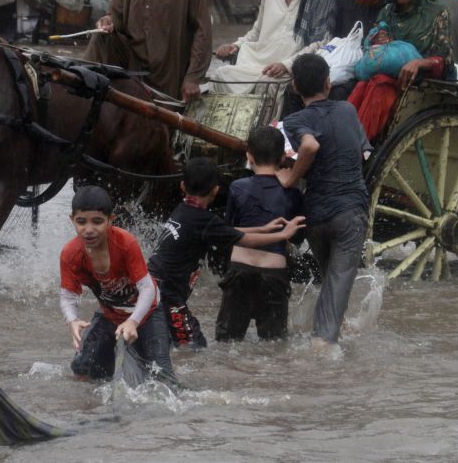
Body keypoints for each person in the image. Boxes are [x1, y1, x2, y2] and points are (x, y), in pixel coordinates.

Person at [148, 157, 304, 348]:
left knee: (169, 342)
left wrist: (264, 228)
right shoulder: (204, 220)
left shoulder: (184, 211)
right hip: (166, 295)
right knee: (193, 347)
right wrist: (283, 235)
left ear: (182, 186)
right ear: (215, 190)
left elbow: (229, 232)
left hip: (152, 286)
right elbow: (245, 240)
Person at [280, 54, 370, 345]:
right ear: (328, 83)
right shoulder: (347, 110)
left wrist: (291, 178)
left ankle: (329, 336)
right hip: (349, 214)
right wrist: (293, 178)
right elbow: (318, 146)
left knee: (331, 283)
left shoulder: (294, 120)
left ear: (294, 86)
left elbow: (307, 144)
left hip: (315, 218)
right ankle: (322, 353)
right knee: (336, 285)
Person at [59, 185, 174, 380]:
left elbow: (147, 288)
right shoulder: (71, 254)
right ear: (72, 219)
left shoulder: (125, 243)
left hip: (147, 312)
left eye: (97, 222)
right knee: (84, 369)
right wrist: (72, 320)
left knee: (161, 377)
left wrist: (133, 321)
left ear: (110, 220)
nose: (89, 230)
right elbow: (68, 295)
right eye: (81, 222)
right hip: (109, 313)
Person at [211, 0, 337, 94]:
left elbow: (322, 41)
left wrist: (287, 64)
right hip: (254, 62)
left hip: (290, 69)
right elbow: (256, 32)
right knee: (219, 76)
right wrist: (235, 46)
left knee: (268, 85)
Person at [347, 0, 453, 141]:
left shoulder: (437, 13)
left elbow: (445, 60)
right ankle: (344, 138)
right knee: (363, 85)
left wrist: (419, 62)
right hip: (383, 76)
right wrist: (377, 37)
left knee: (379, 85)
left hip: (419, 84)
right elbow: (373, 43)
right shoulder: (388, 11)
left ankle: (357, 145)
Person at [215, 127, 304, 342]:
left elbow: (230, 230)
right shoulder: (293, 193)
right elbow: (297, 238)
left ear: (249, 157)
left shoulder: (237, 187)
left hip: (239, 271)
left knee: (227, 342)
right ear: (283, 158)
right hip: (274, 274)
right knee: (274, 345)